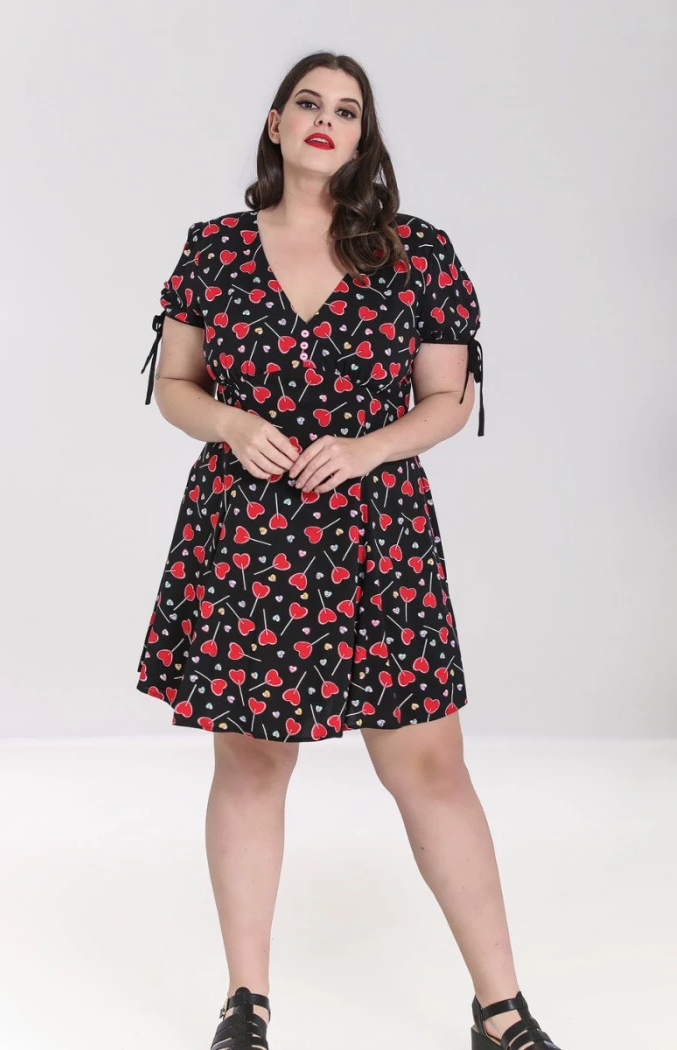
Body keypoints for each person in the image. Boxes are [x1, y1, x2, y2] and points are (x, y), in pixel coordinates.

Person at [136, 50, 562, 1050]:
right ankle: (246, 1002)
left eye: (348, 110)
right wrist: (231, 424)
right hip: (249, 535)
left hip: (379, 536)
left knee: (431, 766)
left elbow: (447, 399)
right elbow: (174, 385)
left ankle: (499, 1007)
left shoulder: (416, 252)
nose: (326, 120)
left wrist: (367, 448)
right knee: (250, 764)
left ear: (363, 138)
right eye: (308, 103)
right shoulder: (214, 249)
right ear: (277, 124)